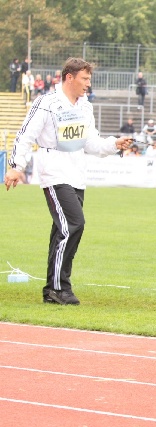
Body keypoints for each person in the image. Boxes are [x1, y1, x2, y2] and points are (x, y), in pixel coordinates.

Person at [3, 57, 133, 305]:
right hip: (54, 171)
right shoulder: (47, 103)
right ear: (69, 77)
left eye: (89, 79)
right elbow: (26, 133)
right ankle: (59, 287)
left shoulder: (85, 106)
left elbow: (91, 143)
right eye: (84, 79)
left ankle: (53, 289)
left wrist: (113, 143)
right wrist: (16, 167)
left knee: (61, 231)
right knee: (73, 224)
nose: (88, 84)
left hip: (77, 175)